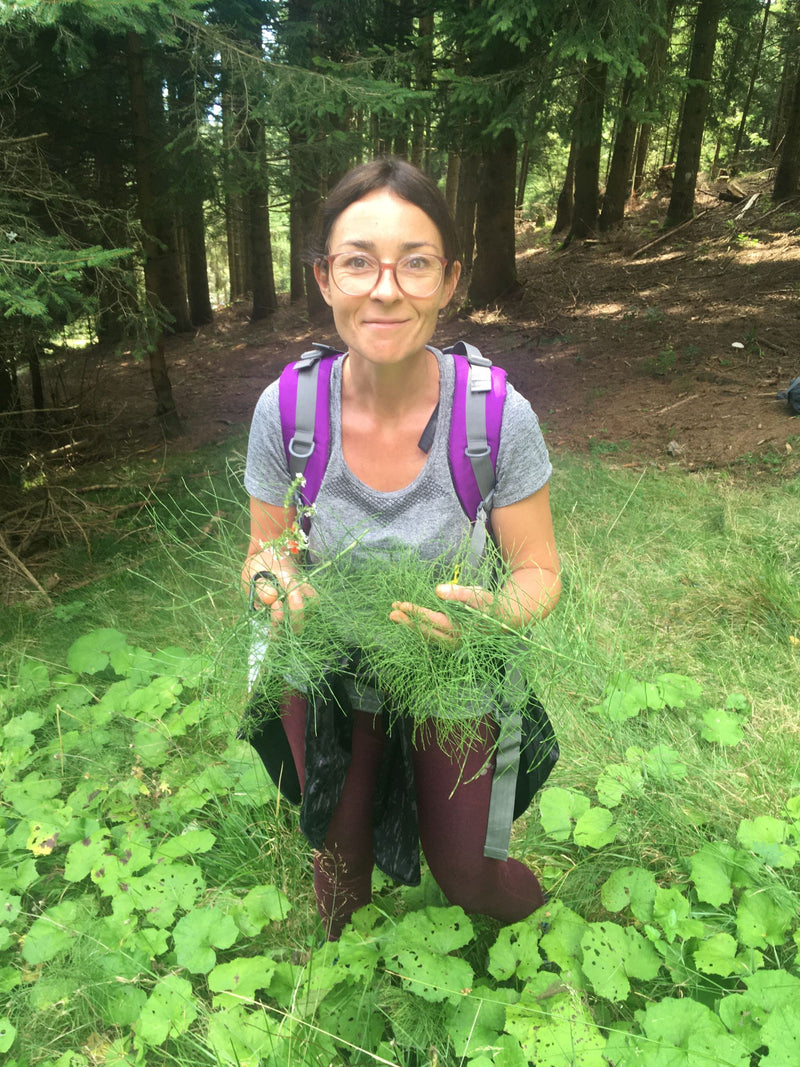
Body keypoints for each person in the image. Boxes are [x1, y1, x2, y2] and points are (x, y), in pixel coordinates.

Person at [241, 157, 561, 940]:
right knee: (338, 859)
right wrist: (273, 582)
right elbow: (262, 550)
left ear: (450, 280)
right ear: (324, 277)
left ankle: (552, 937)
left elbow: (538, 570)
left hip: (450, 660)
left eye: (415, 263)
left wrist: (490, 617)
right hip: (325, 664)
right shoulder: (286, 408)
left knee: (466, 872)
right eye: (359, 262)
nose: (385, 289)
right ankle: (340, 998)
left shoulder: (495, 418)